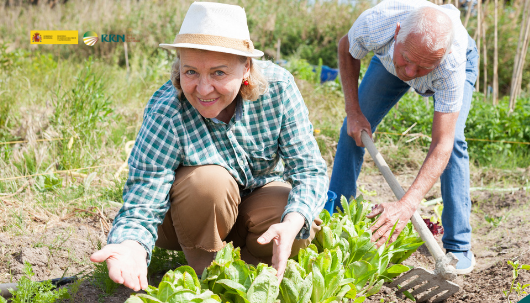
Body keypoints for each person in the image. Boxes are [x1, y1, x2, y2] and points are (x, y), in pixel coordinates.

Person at [90, 2, 328, 291]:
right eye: (191, 72)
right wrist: (130, 244)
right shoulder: (168, 109)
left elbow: (309, 169)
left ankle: (248, 267)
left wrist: (292, 221)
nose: (203, 89)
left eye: (218, 73)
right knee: (208, 182)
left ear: (246, 69)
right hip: (188, 215)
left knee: (296, 217)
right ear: (178, 67)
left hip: (253, 203)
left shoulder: (278, 89)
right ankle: (206, 276)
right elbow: (145, 192)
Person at [329, 0, 479, 274]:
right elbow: (346, 48)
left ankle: (458, 246)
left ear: (442, 56)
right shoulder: (376, 24)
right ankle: (333, 219)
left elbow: (441, 143)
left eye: (422, 67)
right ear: (397, 32)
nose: (410, 74)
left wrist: (406, 206)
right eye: (408, 61)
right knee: (355, 128)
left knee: (454, 141)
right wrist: (353, 111)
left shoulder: (451, 64)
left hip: (441, 62)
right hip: (389, 63)